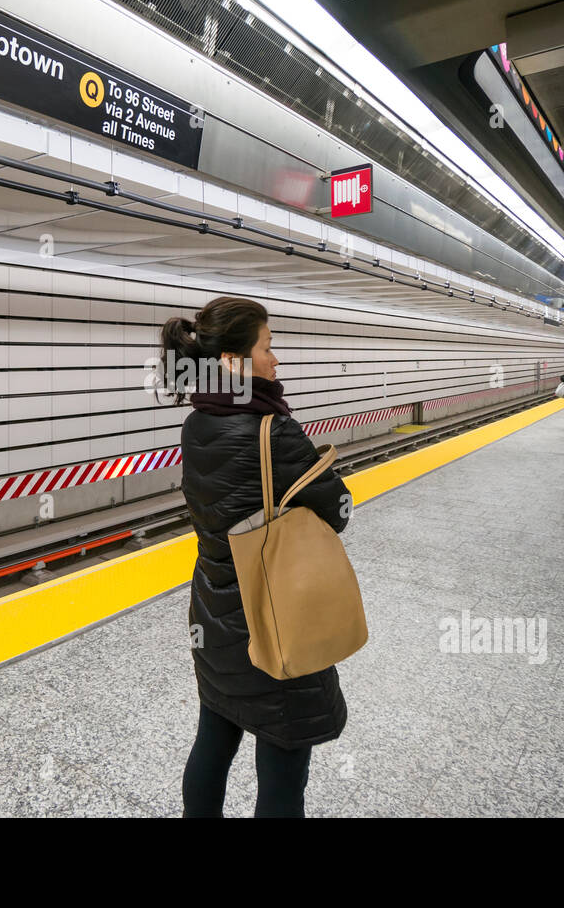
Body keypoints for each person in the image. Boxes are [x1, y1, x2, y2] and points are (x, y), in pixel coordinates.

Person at [158, 296, 351, 818]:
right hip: (275, 622)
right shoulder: (274, 431)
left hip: (215, 613)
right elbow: (337, 508)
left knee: (212, 745)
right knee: (283, 775)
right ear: (233, 362)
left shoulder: (197, 423)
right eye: (268, 347)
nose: (276, 360)